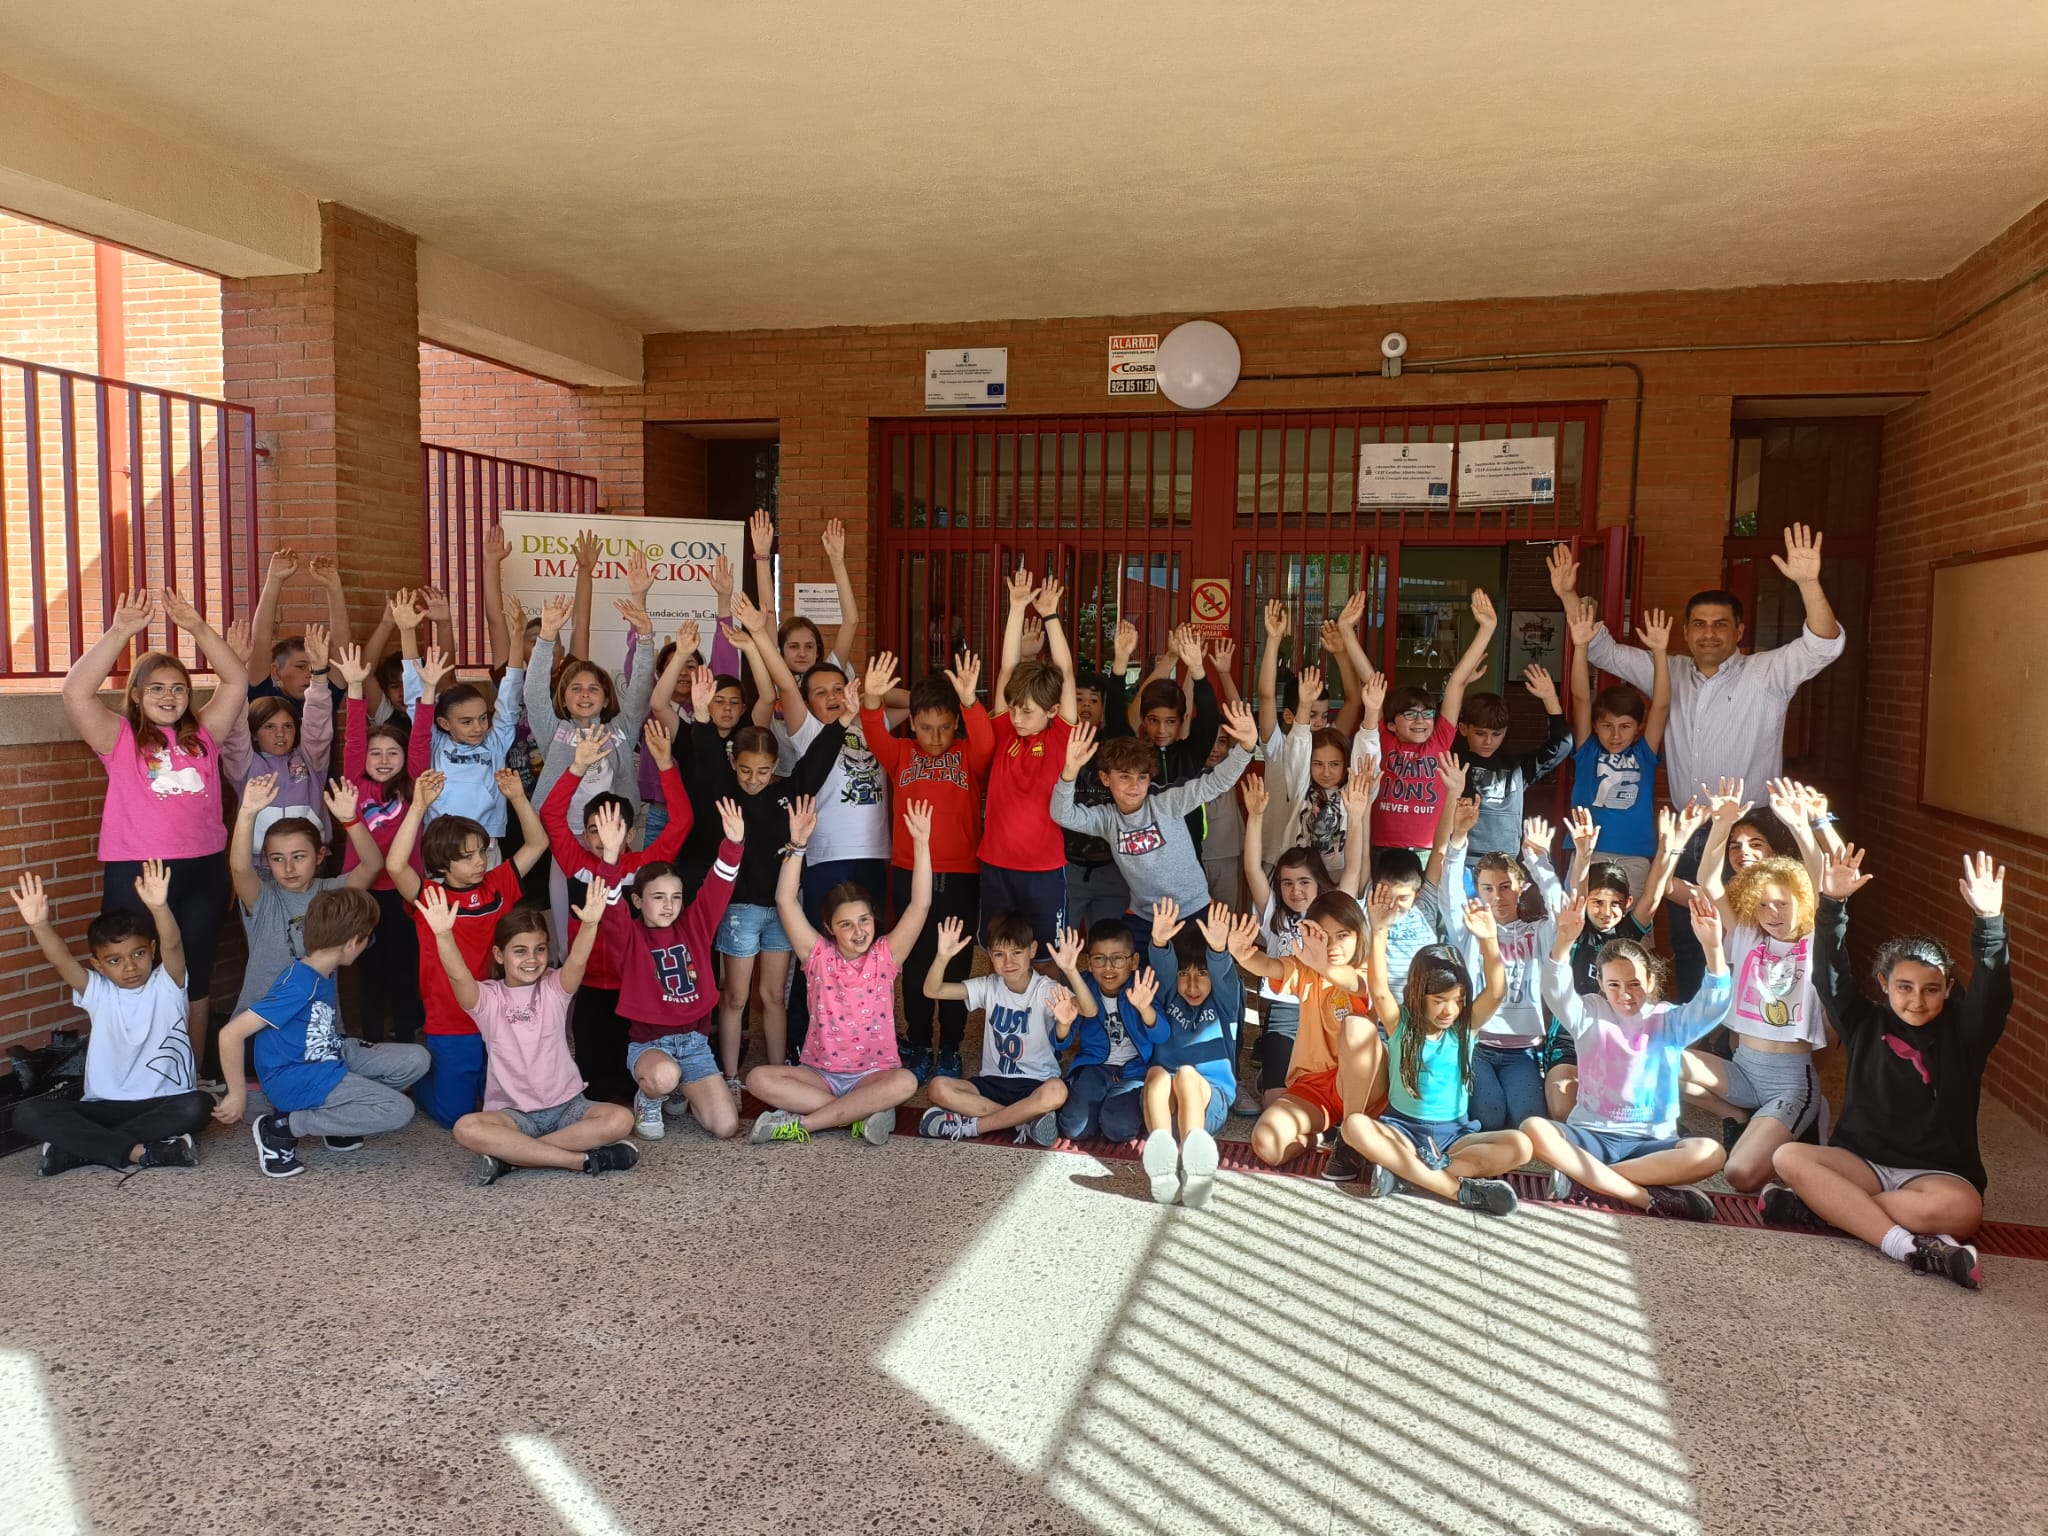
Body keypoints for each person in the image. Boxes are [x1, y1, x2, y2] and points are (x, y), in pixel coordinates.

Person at [1548, 529, 1845, 996]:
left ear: (1739, 630)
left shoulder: (1767, 671)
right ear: (1687, 632)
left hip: (1751, 832)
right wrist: (1567, 595)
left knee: (1756, 936)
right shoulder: (1671, 670)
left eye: (1721, 624)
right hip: (1689, 830)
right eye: (1700, 624)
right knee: (1689, 940)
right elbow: (1599, 647)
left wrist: (1808, 582)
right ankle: (1698, 1036)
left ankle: (1749, 1035)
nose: (1709, 632)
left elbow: (1824, 644)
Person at [1766, 850, 2009, 1290]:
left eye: (1932, 990)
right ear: (1883, 984)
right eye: (1904, 988)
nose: (1917, 1000)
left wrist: (1989, 922)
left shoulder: (1966, 1035)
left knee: (1963, 1212)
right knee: (1788, 1156)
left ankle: (1829, 1208)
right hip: (1861, 1163)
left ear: (1949, 989)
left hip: (1935, 1175)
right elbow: (1828, 975)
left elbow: (1994, 995)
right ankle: (1905, 1246)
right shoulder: (1863, 1020)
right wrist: (1832, 906)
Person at [64, 587, 248, 1081]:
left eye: (178, 688)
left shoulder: (204, 735)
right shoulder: (119, 738)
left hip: (204, 869)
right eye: (157, 689)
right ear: (138, 697)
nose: (169, 697)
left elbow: (235, 679)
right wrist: (121, 631)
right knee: (132, 971)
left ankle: (188, 1072)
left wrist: (197, 627)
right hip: (140, 871)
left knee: (195, 973)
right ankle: (136, 1074)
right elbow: (75, 692)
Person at [1523, 891, 1733, 1220]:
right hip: (1590, 1134)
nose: (1625, 994)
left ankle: (1588, 1180)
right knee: (1534, 1129)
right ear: (1601, 985)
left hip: (1650, 1143)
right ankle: (1641, 1196)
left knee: (1710, 1153)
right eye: (1614, 985)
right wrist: (1564, 940)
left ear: (1650, 981)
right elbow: (1556, 986)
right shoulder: (1587, 1013)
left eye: (1634, 984)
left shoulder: (1669, 1019)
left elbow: (1714, 1004)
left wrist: (1713, 948)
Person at [423, 880, 641, 1185]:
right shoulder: (487, 999)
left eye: (540, 949)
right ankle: (578, 1160)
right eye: (520, 951)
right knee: (466, 1129)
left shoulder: (554, 987)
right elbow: (457, 975)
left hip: (568, 1106)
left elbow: (577, 961)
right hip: (513, 1115)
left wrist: (590, 924)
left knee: (621, 1119)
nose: (532, 959)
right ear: (499, 955)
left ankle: (513, 1160)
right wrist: (444, 935)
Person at [691, 668, 845, 1083]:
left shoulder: (786, 793)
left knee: (773, 996)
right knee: (736, 995)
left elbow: (817, 763)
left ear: (775, 766)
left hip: (781, 910)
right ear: (733, 764)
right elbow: (705, 756)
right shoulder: (725, 793)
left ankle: (779, 1075)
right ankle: (728, 1077)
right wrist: (703, 716)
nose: (753, 780)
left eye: (762, 771)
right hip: (739, 909)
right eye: (745, 771)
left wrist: (844, 720)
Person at [747, 796, 929, 1146]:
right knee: (757, 1080)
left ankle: (804, 1125)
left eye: (864, 920)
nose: (859, 931)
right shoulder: (816, 956)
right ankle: (860, 1115)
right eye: (846, 925)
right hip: (820, 1076)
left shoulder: (886, 956)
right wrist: (797, 844)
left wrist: (921, 844)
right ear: (830, 928)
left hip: (874, 1075)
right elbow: (785, 900)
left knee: (905, 1082)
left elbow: (920, 905)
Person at [212, 888, 430, 1179]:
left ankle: (336, 1123)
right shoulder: (299, 985)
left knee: (417, 1058)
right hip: (298, 1075)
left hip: (328, 1054)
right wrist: (237, 1094)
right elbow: (230, 1034)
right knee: (398, 1110)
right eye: (368, 939)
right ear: (353, 943)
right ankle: (281, 1128)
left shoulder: (324, 968)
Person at [1338, 885, 1529, 1215]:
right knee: (1355, 1126)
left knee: (1522, 1145)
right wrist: (1379, 930)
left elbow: (1497, 991)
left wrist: (1488, 940)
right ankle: (1456, 1190)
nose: (1449, 1011)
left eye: (1457, 1001)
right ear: (1417, 996)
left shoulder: (1464, 1027)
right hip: (1402, 1132)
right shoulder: (1401, 1023)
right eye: (1439, 1002)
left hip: (1454, 1139)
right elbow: (1379, 988)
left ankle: (1407, 1174)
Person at [10, 866, 211, 1175]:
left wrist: (159, 907)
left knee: (198, 1105)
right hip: (102, 1106)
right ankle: (141, 1152)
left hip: (163, 1102)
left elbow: (173, 944)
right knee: (26, 1113)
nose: (129, 967)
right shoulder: (97, 992)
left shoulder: (167, 983)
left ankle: (80, 1150)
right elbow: (61, 959)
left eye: (138, 954)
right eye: (115, 961)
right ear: (98, 965)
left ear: (152, 950)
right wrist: (39, 924)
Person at [1680, 786, 1830, 1192]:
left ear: (1801, 901)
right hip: (1743, 1069)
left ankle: (1800, 1121)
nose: (1772, 913)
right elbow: (1706, 877)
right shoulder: (1745, 930)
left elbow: (1818, 874)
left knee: (1740, 1175)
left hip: (1789, 1081)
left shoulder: (1814, 936)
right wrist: (1722, 822)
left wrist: (1801, 824)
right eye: (1763, 904)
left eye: (1782, 904)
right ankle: (1742, 1117)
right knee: (1663, 1061)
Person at [384, 768, 553, 1127]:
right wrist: (417, 808)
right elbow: (396, 865)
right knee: (455, 1116)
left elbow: (537, 844)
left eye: (482, 852)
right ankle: (417, 1079)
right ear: (442, 862)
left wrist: (518, 798)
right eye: (467, 856)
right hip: (451, 1019)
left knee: (503, 1105)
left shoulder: (498, 884)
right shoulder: (431, 896)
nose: (480, 862)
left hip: (502, 1015)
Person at [540, 721, 694, 1106]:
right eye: (594, 829)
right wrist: (577, 768)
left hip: (635, 986)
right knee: (592, 1079)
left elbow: (681, 823)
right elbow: (551, 815)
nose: (602, 837)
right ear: (586, 834)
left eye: (613, 828)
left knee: (631, 1078)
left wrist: (664, 764)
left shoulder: (645, 866)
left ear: (629, 834)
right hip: (589, 985)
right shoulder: (575, 861)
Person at [861, 650, 994, 1079]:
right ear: (912, 723)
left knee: (955, 961)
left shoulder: (967, 755)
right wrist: (872, 698)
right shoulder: (899, 753)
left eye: (943, 727)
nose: (935, 737)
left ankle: (951, 1048)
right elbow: (871, 728)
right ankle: (919, 1043)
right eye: (926, 728)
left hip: (960, 876)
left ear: (954, 723)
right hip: (907, 874)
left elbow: (987, 742)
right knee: (915, 961)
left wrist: (970, 702)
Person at [604, 800, 747, 1143]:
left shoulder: (694, 926)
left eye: (676, 897)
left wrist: (734, 845)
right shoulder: (630, 936)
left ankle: (682, 1089)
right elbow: (610, 906)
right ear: (637, 901)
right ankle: (651, 1096)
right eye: (658, 897)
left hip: (695, 1045)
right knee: (665, 1075)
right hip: (651, 1046)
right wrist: (610, 858)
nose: (668, 905)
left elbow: (718, 888)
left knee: (726, 1126)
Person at [1545, 803, 1701, 1116]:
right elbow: (1576, 890)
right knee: (1564, 1109)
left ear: (1626, 903)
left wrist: (1669, 847)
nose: (1606, 911)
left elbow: (1654, 894)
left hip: (1624, 1041)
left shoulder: (1628, 930)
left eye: (1615, 904)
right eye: (1597, 902)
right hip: (1572, 1041)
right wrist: (1584, 853)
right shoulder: (1577, 929)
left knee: (1633, 1101)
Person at [1049, 704, 1260, 924]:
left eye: (1142, 777)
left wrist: (1246, 747)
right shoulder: (1107, 819)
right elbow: (1062, 814)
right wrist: (1070, 771)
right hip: (1145, 917)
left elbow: (1214, 783)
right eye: (1124, 777)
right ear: (1105, 778)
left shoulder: (1167, 802)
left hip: (1194, 910)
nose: (1134, 786)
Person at [1437, 801, 1566, 1131]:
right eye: (1488, 888)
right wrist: (1458, 839)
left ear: (1521, 887)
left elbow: (1561, 910)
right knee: (1490, 1117)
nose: (1497, 896)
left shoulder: (1537, 932)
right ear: (1477, 891)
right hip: (1477, 1046)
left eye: (1506, 886)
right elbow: (1450, 896)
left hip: (1522, 1052)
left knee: (1527, 1121)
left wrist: (1538, 860)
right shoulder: (1470, 929)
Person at [1235, 892, 1381, 1171]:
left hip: (1365, 1087)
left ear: (1359, 936)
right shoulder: (1306, 969)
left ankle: (1350, 1136)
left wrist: (1322, 965)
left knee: (1355, 1026)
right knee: (1267, 1143)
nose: (1333, 944)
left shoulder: (1367, 969)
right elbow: (1269, 966)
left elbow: (1355, 984)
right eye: (1324, 935)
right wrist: (1242, 953)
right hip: (1315, 1086)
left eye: (1342, 935)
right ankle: (1324, 1135)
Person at [225, 776, 386, 1024]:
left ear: (320, 855)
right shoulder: (263, 897)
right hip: (259, 1026)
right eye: (277, 859)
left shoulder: (332, 894)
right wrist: (247, 814)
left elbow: (373, 865)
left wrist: (350, 820)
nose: (288, 867)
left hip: (317, 1027)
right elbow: (239, 867)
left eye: (299, 856)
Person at [979, 570, 1080, 952]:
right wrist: (1017, 607)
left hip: (1044, 868)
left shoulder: (1059, 737)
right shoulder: (1006, 731)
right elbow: (1006, 671)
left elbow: (1066, 673)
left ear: (1053, 710)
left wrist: (1051, 616)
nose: (1017, 718)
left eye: (1027, 712)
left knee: (1048, 954)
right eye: (1014, 710)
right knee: (998, 949)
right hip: (996, 863)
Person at [334, 641, 429, 1044]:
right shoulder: (356, 785)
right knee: (367, 969)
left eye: (394, 752)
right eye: (377, 753)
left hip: (406, 894)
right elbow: (354, 740)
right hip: (363, 893)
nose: (384, 758)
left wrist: (427, 696)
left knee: (407, 967)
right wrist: (355, 688)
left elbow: (421, 739)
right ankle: (371, 1037)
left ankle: (408, 1037)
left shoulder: (413, 787)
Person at [918, 914, 1075, 1145]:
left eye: (1017, 953)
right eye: (999, 954)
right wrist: (942, 957)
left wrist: (1070, 971)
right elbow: (933, 990)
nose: (1008, 962)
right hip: (993, 1081)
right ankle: (1023, 1121)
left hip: (1036, 1082)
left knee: (1057, 1091)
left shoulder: (1045, 988)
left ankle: (974, 1126)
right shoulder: (989, 985)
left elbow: (1089, 1010)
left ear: (1032, 950)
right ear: (990, 955)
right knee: (937, 1087)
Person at [1137, 901, 1256, 1208]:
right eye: (1183, 974)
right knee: (1156, 1074)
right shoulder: (1168, 995)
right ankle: (1163, 1168)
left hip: (1209, 1105)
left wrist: (1218, 952)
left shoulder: (1223, 1003)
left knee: (1188, 1075)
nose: (1192, 984)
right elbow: (1163, 969)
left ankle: (1194, 1171)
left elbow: (1225, 978)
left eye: (1202, 973)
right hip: (1164, 1108)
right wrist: (1160, 943)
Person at [1367, 588, 1495, 852]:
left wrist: (1486, 629)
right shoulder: (1383, 738)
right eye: (1411, 714)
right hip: (1382, 846)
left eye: (1427, 713)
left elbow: (1456, 684)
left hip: (1429, 850)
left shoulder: (1439, 740)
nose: (1421, 720)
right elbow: (1370, 683)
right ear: (1391, 724)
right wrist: (1347, 631)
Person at [396, 589, 527, 842]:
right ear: (444, 723)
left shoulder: (495, 742)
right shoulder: (434, 741)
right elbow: (415, 694)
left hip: (487, 838)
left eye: (483, 718)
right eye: (466, 722)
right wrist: (406, 631)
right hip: (440, 838)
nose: (478, 727)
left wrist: (519, 635)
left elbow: (510, 694)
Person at [1565, 603, 1673, 900]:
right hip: (1588, 850)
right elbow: (1580, 699)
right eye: (1607, 725)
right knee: (1578, 927)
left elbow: (1661, 706)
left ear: (1638, 727)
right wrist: (1580, 647)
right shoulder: (1587, 750)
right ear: (1596, 726)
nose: (1615, 735)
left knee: (1631, 932)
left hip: (1635, 856)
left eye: (1625, 726)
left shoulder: (1643, 753)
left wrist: (1660, 653)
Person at [222, 622, 336, 853]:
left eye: (288, 726)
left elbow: (318, 724)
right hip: (258, 866)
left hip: (311, 861)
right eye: (269, 727)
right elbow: (234, 724)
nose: (280, 733)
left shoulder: (310, 760)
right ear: (254, 733)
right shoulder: (244, 765)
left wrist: (320, 673)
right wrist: (234, 665)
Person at [1064, 621, 1140, 932]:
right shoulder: (1059, 742)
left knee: (1108, 947)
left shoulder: (1115, 742)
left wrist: (1120, 662)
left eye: (1093, 701)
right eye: (1078, 699)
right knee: (1057, 949)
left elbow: (1120, 710)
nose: (1085, 706)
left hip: (1112, 868)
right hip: (1067, 865)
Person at [1056, 918, 1160, 1142]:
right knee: (1075, 1129)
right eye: (1099, 959)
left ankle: (1132, 1103)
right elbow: (1060, 1043)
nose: (1109, 967)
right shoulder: (1084, 985)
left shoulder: (1141, 985)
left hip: (1135, 1070)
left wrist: (1145, 1009)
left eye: (1118, 959)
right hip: (1095, 1067)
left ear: (1134, 962)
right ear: (1090, 963)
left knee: (1118, 1130)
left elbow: (1162, 1035)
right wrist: (1063, 1024)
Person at [1458, 666, 1571, 857]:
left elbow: (1562, 745)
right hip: (1462, 857)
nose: (1488, 741)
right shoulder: (1453, 761)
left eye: (1496, 734)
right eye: (1480, 733)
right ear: (1463, 729)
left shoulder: (1517, 769)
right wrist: (1459, 684)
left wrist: (1550, 699)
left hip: (1505, 860)